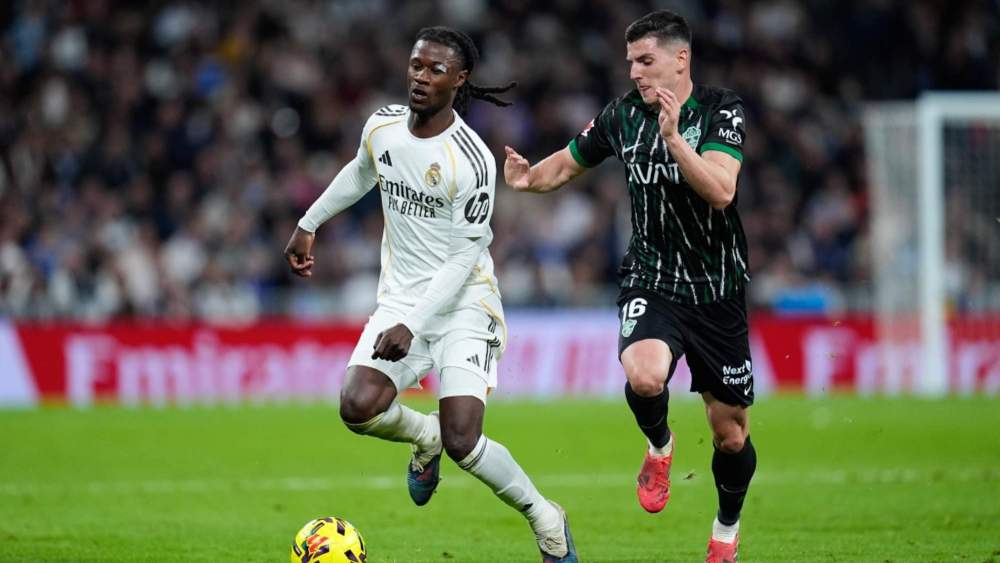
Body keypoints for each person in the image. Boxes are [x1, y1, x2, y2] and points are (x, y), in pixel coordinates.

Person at [284, 26, 578, 563]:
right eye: (416, 65)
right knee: (357, 406)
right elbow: (359, 172)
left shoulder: (473, 160)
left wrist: (414, 324)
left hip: (465, 303)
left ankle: (544, 515)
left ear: (459, 80)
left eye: (435, 69)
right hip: (401, 302)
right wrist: (310, 222)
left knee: (465, 440)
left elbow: (463, 259)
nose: (421, 77)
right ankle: (426, 438)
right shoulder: (383, 126)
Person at [503, 10, 756, 562]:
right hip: (652, 278)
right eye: (631, 63)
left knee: (730, 435)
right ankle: (660, 446)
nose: (636, 73)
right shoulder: (621, 115)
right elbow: (569, 163)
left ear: (680, 59)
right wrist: (527, 179)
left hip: (717, 291)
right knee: (644, 376)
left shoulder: (721, 110)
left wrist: (675, 141)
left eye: (646, 61)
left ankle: (725, 533)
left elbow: (720, 191)